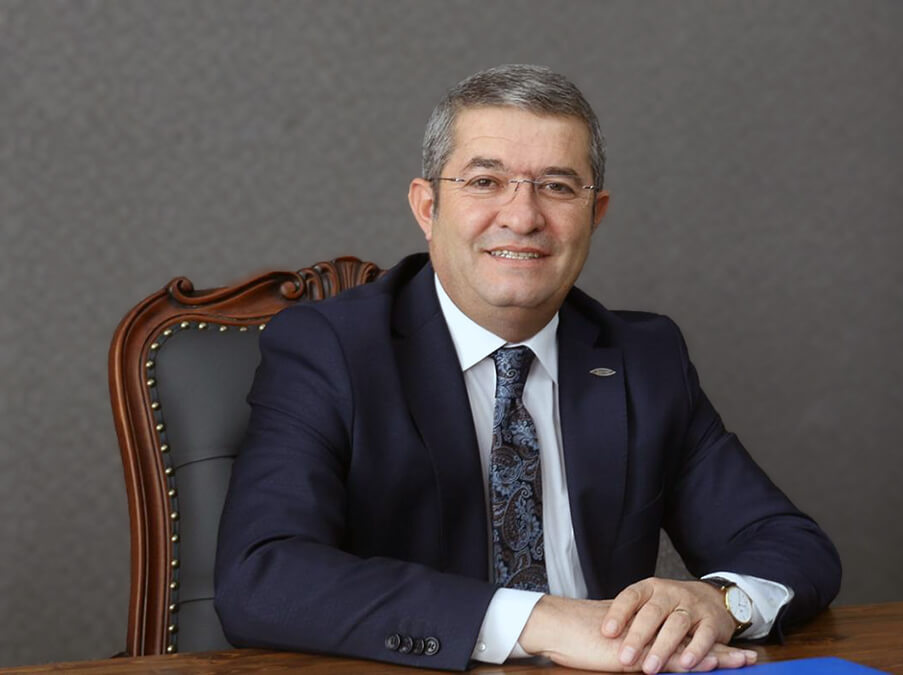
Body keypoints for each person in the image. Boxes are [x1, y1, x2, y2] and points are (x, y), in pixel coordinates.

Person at [214, 64, 840, 673]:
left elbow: (790, 544)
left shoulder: (644, 357)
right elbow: (262, 577)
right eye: (486, 181)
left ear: (595, 214)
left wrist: (721, 602)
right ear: (428, 207)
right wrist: (542, 621)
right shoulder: (331, 350)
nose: (523, 217)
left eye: (558, 186)